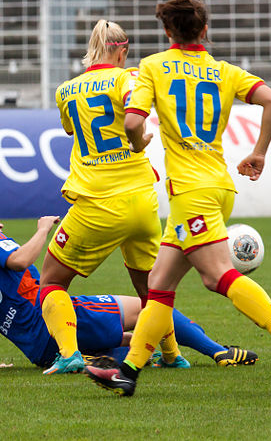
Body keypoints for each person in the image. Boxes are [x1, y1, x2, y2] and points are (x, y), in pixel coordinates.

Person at [86, 0, 271, 396]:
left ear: (167, 31)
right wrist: (259, 151)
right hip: (215, 185)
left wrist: (138, 142)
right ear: (204, 30)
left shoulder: (154, 67)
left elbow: (134, 120)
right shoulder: (223, 71)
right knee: (159, 285)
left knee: (216, 276)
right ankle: (129, 371)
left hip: (191, 192)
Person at [0, 195, 258, 371]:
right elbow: (19, 260)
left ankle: (144, 354)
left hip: (41, 352)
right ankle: (219, 352)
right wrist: (43, 229)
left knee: (133, 339)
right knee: (151, 306)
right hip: (59, 322)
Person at [38, 19, 185, 375]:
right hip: (141, 200)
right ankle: (171, 354)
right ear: (123, 49)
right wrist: (138, 144)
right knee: (152, 287)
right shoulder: (128, 78)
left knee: (52, 281)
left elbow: (74, 129)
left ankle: (70, 354)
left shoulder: (66, 90)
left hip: (98, 201)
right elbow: (136, 119)